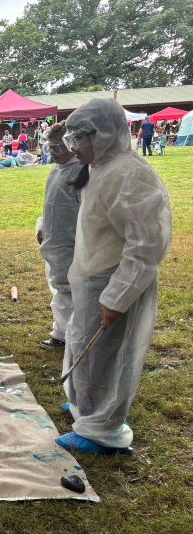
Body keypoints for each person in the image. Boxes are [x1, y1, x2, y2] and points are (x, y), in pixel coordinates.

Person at [57, 98, 172, 454]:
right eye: (71, 139)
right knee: (84, 346)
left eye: (80, 138)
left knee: (104, 354)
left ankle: (101, 428)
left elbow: (144, 245)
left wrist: (117, 297)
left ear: (103, 134)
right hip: (93, 277)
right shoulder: (102, 168)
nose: (75, 147)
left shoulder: (128, 174)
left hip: (112, 279)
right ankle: (85, 407)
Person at [34, 121, 82, 350]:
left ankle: (68, 334)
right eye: (49, 148)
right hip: (56, 238)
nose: (52, 154)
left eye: (57, 148)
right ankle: (63, 331)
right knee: (60, 285)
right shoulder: (56, 170)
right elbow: (49, 203)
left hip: (71, 240)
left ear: (71, 145)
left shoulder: (79, 170)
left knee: (70, 289)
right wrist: (42, 226)